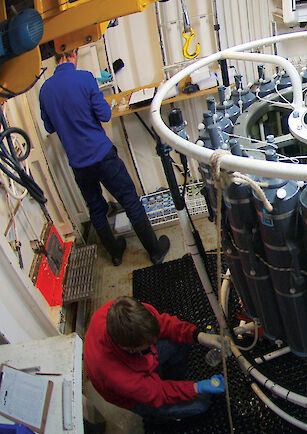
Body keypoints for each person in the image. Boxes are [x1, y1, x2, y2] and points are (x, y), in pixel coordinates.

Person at [38, 49, 170, 266]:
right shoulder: (85, 78)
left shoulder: (45, 90)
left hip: (79, 164)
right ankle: (155, 251)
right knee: (129, 199)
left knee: (96, 207)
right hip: (101, 155)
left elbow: (49, 127)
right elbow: (105, 115)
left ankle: (115, 254)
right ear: (74, 53)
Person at [84, 296, 225, 421]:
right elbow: (158, 393)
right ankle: (162, 414)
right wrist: (197, 387)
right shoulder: (118, 376)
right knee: (201, 404)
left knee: (181, 339)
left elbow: (163, 323)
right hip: (133, 396)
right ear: (130, 349)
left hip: (135, 366)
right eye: (148, 345)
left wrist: (198, 336)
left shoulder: (121, 311)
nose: (154, 345)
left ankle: (172, 379)